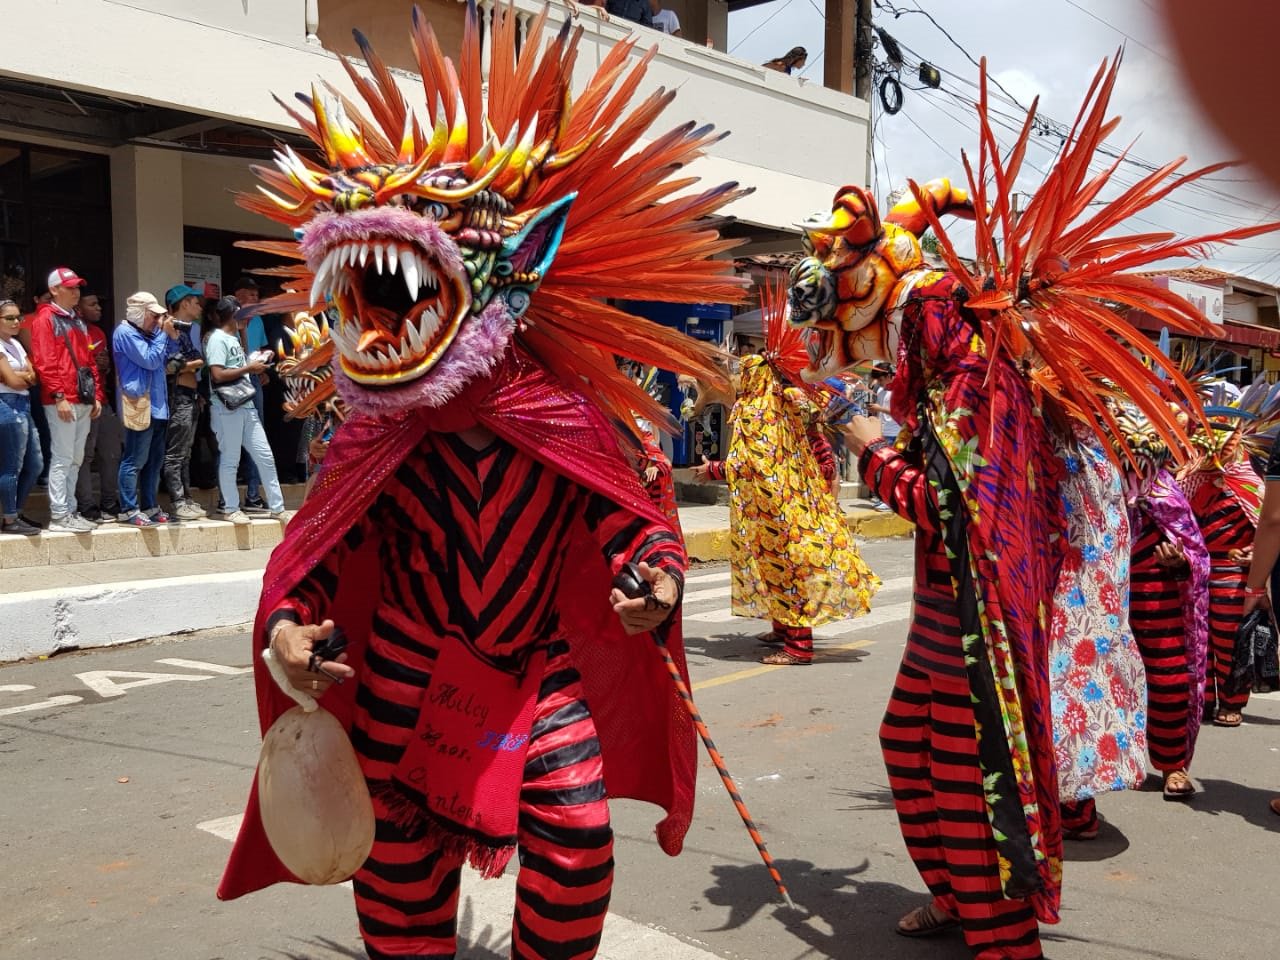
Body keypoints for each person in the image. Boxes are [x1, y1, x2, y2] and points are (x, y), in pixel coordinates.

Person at [218, 9, 744, 957]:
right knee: (395, 865)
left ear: (522, 264)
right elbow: (317, 557)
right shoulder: (376, 430)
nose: (383, 316)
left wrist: (656, 583)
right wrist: (289, 632)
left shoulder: (565, 416)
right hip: (406, 672)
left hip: (537, 672)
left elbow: (633, 527)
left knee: (579, 841)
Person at [693, 279, 878, 666]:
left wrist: (711, 469)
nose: (739, 379)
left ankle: (798, 646)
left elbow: (754, 462)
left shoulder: (759, 411)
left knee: (789, 569)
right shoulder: (778, 401)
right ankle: (781, 628)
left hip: (779, 510)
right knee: (774, 567)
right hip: (781, 505)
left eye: (743, 373)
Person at [29, 267, 102, 533]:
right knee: (62, 456)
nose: (75, 292)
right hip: (62, 399)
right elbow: (44, 362)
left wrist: (96, 395)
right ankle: (60, 514)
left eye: (77, 287)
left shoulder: (76, 319)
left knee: (76, 457)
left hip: (81, 398)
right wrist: (58, 395)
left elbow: (89, 361)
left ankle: (69, 509)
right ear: (54, 290)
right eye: (70, 287)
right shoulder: (45, 319)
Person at [205, 296, 287, 524]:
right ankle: (231, 508)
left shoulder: (233, 338)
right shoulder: (217, 339)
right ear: (231, 315)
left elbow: (237, 367)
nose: (247, 317)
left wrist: (256, 360)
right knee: (230, 459)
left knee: (265, 456)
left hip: (246, 405)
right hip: (226, 407)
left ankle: (277, 507)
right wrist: (249, 367)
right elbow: (218, 374)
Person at [113, 292, 180, 527]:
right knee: (134, 459)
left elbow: (169, 357)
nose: (157, 320)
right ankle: (128, 509)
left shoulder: (151, 335)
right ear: (139, 314)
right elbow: (150, 360)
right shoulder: (125, 333)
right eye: (154, 316)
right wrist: (163, 334)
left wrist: (170, 336)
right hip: (139, 403)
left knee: (154, 461)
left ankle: (150, 506)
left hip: (159, 405)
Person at [74, 290, 123, 523]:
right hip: (80, 402)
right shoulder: (71, 330)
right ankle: (86, 504)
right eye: (92, 304)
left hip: (102, 400)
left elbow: (102, 367)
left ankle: (109, 501)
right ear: (78, 307)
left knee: (111, 452)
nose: (99, 308)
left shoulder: (99, 332)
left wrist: (104, 365)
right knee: (84, 456)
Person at [161, 285, 208, 520]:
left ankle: (187, 498)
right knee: (175, 452)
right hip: (176, 394)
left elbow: (194, 362)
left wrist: (191, 365)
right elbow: (169, 366)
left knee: (186, 452)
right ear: (184, 303)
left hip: (191, 394)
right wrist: (192, 364)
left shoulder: (189, 331)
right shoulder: (168, 330)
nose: (199, 306)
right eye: (195, 301)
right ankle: (177, 502)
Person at [0, 299, 42, 535]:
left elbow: (33, 376)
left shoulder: (15, 343)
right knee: (11, 465)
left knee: (35, 464)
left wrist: (17, 375)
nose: (16, 322)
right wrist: (19, 375)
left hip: (23, 403)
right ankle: (9, 518)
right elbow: (16, 381)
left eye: (18, 317)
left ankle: (15, 511)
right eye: (9, 318)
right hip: (6, 405)